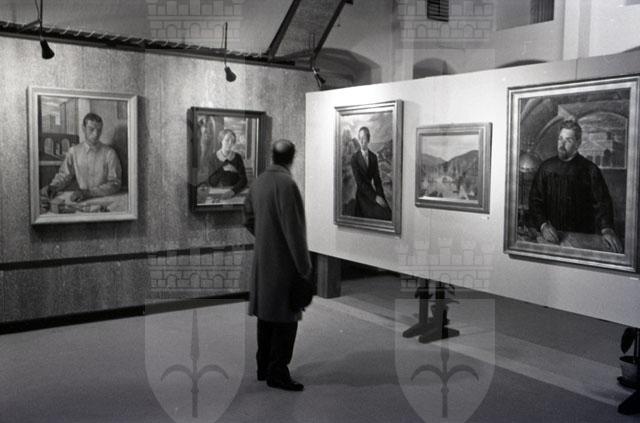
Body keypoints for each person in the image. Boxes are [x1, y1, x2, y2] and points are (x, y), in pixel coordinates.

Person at [243, 139, 312, 392]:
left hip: (263, 260)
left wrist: (265, 236)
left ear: (273, 155)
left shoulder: (259, 182)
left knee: (266, 315)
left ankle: (263, 367)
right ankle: (278, 372)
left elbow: (247, 218)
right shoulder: (287, 184)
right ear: (292, 157)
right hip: (284, 264)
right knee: (285, 318)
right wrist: (304, 267)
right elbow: (294, 231)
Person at [528, 120, 623, 252]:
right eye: (560, 139)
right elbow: (535, 200)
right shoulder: (546, 167)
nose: (562, 144)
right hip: (552, 237)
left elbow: (602, 203)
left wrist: (607, 229)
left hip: (583, 238)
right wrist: (543, 225)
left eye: (568, 140)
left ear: (578, 144)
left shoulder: (590, 169)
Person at [40, 112, 122, 207]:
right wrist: (53, 186)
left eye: (99, 130)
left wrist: (89, 193)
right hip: (81, 201)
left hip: (106, 201)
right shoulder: (74, 151)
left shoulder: (109, 153)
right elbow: (64, 175)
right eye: (91, 129)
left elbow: (115, 183)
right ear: (83, 128)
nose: (96, 134)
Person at [350, 126, 392, 220]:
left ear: (368, 139)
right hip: (362, 196)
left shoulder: (373, 157)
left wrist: (381, 196)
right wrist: (375, 198)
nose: (361, 141)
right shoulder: (354, 158)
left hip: (374, 194)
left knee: (387, 213)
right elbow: (360, 183)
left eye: (364, 138)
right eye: (360, 138)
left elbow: (377, 180)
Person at [208, 129, 248, 199]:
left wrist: (233, 191)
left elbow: (244, 180)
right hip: (217, 193)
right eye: (227, 140)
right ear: (221, 140)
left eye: (232, 141)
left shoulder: (237, 157)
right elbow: (211, 181)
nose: (230, 143)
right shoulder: (213, 157)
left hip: (235, 192)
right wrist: (223, 170)